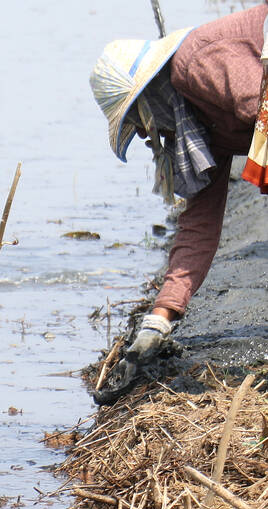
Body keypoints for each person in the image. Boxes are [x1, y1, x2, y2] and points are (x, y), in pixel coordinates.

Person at [90, 2, 268, 375]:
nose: (141, 133)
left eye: (136, 119)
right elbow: (199, 225)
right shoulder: (201, 127)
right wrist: (160, 317)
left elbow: (262, 107)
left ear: (149, 96)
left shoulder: (196, 65)